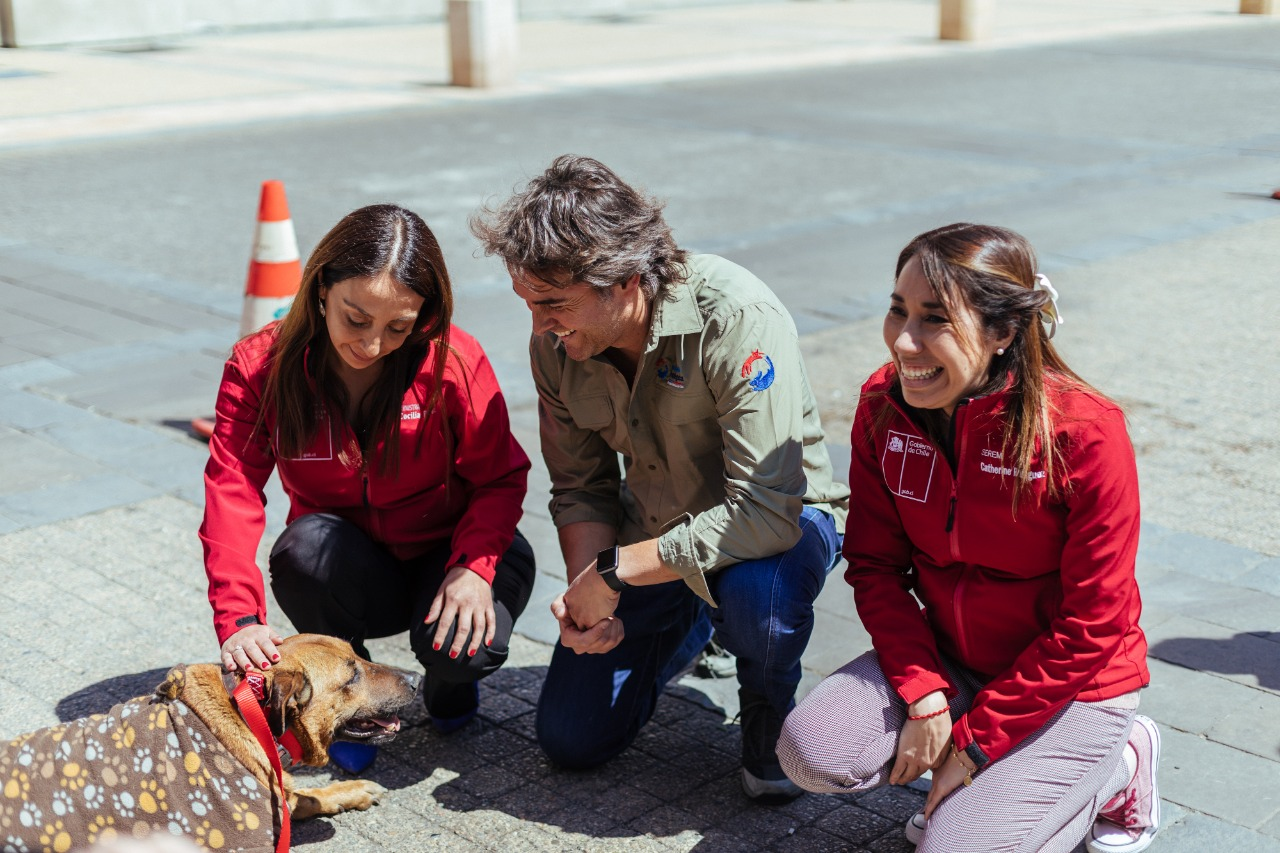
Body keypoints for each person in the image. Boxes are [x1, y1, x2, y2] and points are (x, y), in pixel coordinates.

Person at [471, 155, 850, 802]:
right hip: (654, 539)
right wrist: (590, 603)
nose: (539, 328)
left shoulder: (737, 317)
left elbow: (766, 509)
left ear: (623, 280)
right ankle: (697, 621)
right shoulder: (556, 346)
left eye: (554, 304)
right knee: (571, 738)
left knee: (756, 601)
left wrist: (617, 573)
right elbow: (580, 485)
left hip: (776, 526)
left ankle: (767, 707)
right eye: (528, 304)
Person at [777, 223, 1159, 853]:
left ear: (1003, 332)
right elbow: (873, 567)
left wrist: (977, 742)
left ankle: (1120, 768)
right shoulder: (882, 407)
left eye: (935, 319)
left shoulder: (1084, 432)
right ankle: (989, 784)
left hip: (1075, 684)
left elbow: (1094, 622)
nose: (904, 340)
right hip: (954, 661)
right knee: (809, 752)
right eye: (898, 310)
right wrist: (925, 695)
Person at [200, 203, 535, 772]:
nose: (374, 345)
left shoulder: (453, 361)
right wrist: (239, 618)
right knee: (303, 550)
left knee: (465, 651)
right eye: (356, 319)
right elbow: (232, 485)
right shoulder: (262, 366)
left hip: (447, 556)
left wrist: (474, 569)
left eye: (399, 327)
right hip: (352, 569)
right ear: (322, 288)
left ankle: (447, 682)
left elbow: (500, 476)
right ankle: (347, 701)